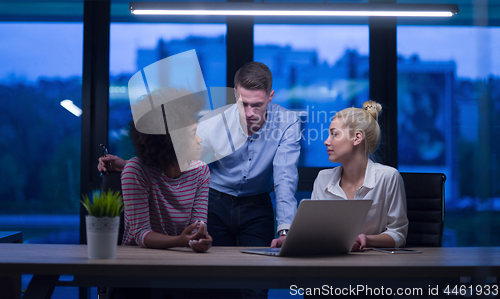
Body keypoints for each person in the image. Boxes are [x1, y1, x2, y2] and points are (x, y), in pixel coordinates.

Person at [99, 62, 301, 298]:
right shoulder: (215, 120)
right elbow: (175, 149)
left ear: (271, 96)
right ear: (235, 94)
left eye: (257, 105)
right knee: (216, 282)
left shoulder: (288, 122)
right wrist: (130, 165)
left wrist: (286, 232)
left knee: (255, 288)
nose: (249, 113)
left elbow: (285, 178)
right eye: (243, 104)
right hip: (216, 202)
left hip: (257, 207)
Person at [274, 100, 408, 252]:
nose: (326, 141)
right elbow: (314, 233)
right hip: (329, 264)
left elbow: (398, 234)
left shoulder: (388, 177)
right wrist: (290, 241)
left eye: (334, 134)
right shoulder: (323, 178)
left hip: (373, 265)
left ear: (357, 138)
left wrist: (367, 240)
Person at [120, 89, 212, 252]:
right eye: (192, 134)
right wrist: (181, 241)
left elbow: (197, 226)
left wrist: (200, 237)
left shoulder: (200, 171)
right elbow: (140, 234)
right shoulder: (135, 171)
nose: (200, 139)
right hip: (136, 260)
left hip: (181, 258)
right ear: (171, 141)